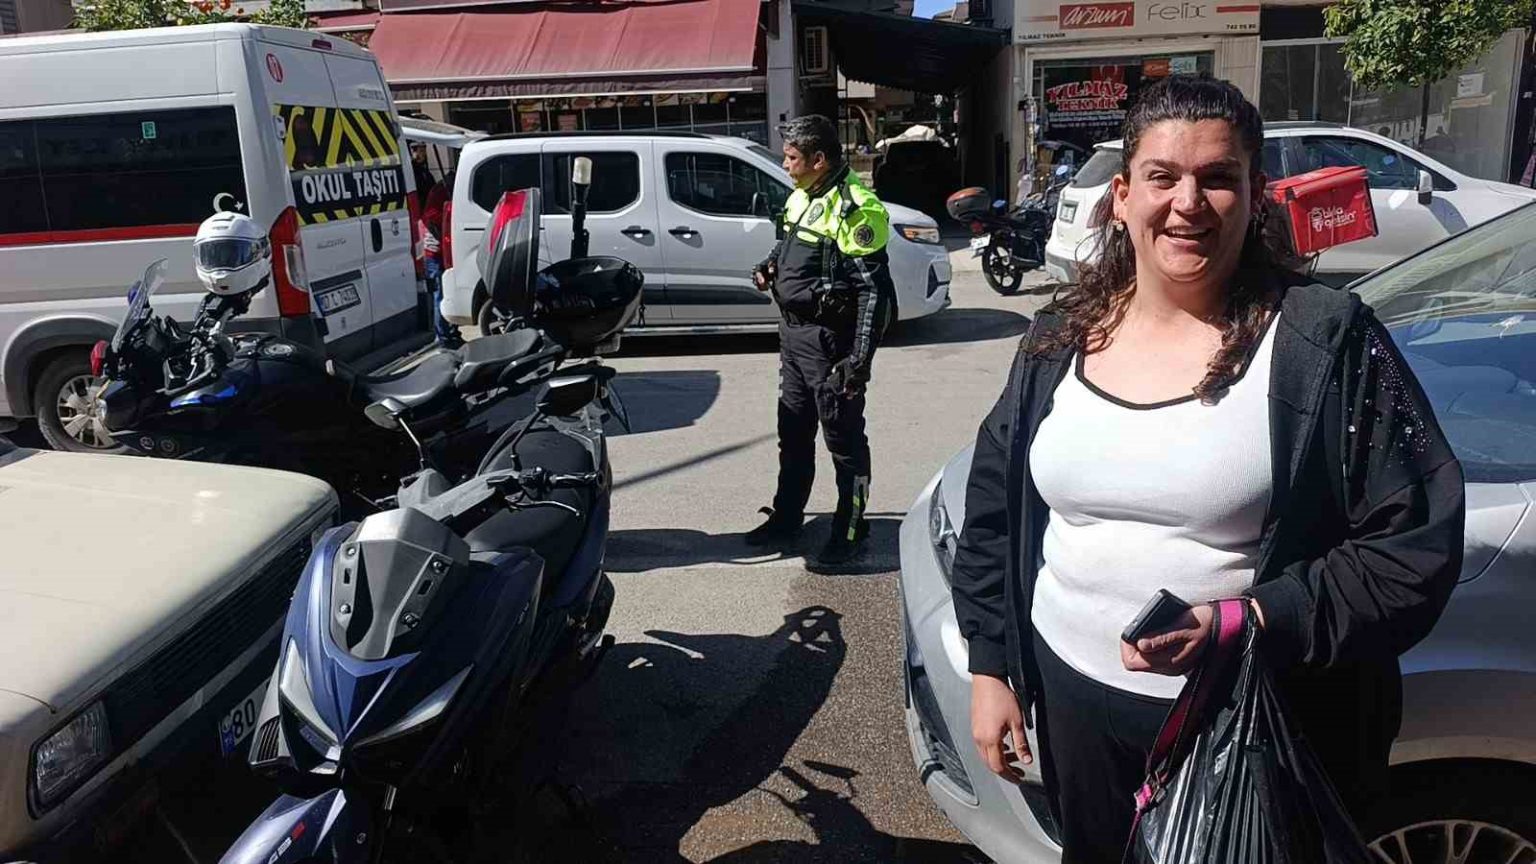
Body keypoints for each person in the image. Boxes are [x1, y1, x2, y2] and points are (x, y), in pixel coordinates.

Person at [951, 75, 1466, 864]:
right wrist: (992, 667)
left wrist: (1250, 619)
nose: (1188, 203)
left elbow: (1414, 547)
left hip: (1245, 731)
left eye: (1217, 178)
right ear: (1122, 196)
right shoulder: (1059, 334)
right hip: (1073, 706)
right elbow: (995, 503)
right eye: (1162, 177)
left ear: (1255, 195)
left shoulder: (1324, 341)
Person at [745, 115, 896, 569]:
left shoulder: (856, 208)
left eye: (792, 158)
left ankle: (850, 529)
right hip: (793, 337)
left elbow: (874, 292)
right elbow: (789, 244)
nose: (785, 165)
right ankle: (787, 518)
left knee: (844, 443)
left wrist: (859, 361)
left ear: (819, 159)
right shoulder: (803, 194)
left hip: (831, 343)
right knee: (793, 434)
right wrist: (768, 266)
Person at [421, 167, 463, 349]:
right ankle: (443, 337)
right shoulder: (440, 192)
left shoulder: (445, 191)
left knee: (448, 294)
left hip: (444, 253)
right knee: (441, 295)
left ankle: (451, 332)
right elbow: (432, 219)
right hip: (435, 254)